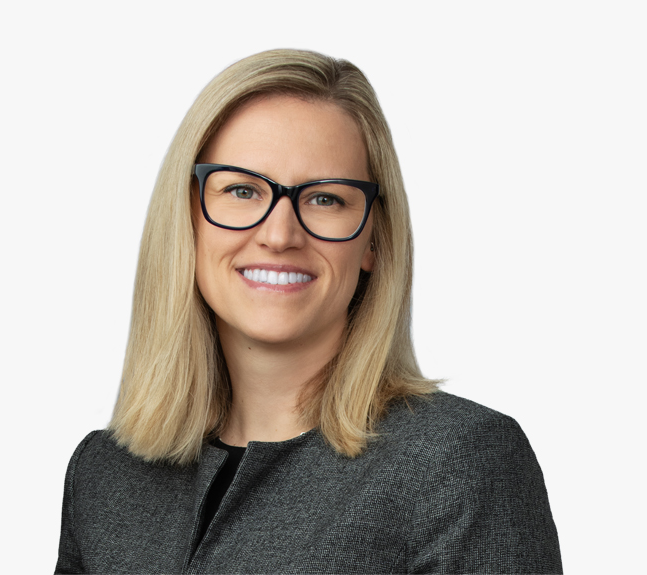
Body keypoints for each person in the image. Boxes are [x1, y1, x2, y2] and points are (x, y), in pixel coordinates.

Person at [55, 49, 562, 574]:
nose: (279, 235)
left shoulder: (457, 462)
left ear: (374, 240)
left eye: (325, 199)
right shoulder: (103, 475)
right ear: (187, 221)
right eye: (242, 190)